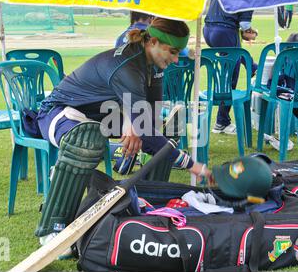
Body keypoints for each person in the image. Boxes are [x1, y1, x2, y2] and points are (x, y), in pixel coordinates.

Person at [34, 17, 213, 247]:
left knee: (161, 140)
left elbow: (151, 118)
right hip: (58, 113)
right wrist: (197, 167)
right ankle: (52, 228)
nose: (177, 59)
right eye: (173, 51)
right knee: (85, 141)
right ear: (154, 42)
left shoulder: (153, 64)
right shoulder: (129, 65)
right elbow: (144, 126)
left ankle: (142, 209)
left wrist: (136, 122)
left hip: (100, 116)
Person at [203, 0, 258, 135]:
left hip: (208, 29)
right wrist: (252, 32)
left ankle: (254, 68)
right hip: (224, 30)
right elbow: (245, 26)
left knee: (236, 57)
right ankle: (222, 122)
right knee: (230, 77)